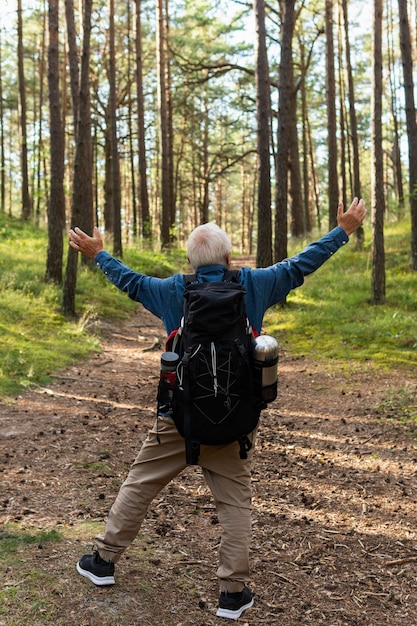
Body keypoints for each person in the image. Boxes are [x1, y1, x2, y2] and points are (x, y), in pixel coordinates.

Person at [69, 197, 366, 620]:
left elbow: (131, 282)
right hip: (234, 422)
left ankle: (103, 561)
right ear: (228, 258)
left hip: (178, 420)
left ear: (190, 263)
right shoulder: (256, 284)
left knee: (139, 484)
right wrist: (343, 231)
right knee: (234, 504)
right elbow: (301, 264)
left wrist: (99, 255)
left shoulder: (173, 290)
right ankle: (232, 593)